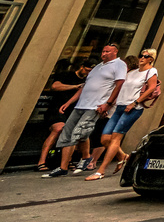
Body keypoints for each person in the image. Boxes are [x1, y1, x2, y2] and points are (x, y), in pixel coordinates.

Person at [44, 44, 126, 178]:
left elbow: (120, 85)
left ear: (115, 52)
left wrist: (108, 103)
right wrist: (69, 102)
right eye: (103, 51)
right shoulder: (97, 67)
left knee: (81, 131)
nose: (103, 53)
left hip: (95, 105)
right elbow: (84, 87)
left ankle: (86, 157)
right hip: (81, 104)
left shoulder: (119, 65)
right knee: (67, 133)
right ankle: (63, 167)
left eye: (107, 51)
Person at [88, 48, 159, 180]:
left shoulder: (151, 71)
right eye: (141, 55)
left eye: (146, 56)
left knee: (115, 138)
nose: (142, 58)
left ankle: (100, 171)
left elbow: (151, 88)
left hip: (133, 108)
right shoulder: (132, 72)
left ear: (151, 59)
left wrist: (135, 102)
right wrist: (109, 104)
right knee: (105, 138)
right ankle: (122, 156)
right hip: (120, 106)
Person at [35, 61, 86, 171]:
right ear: (81, 67)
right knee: (58, 129)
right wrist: (74, 87)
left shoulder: (88, 80)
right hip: (56, 109)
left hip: (72, 112)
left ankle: (67, 161)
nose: (87, 73)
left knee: (74, 133)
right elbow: (55, 86)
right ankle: (41, 161)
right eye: (86, 70)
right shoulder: (66, 75)